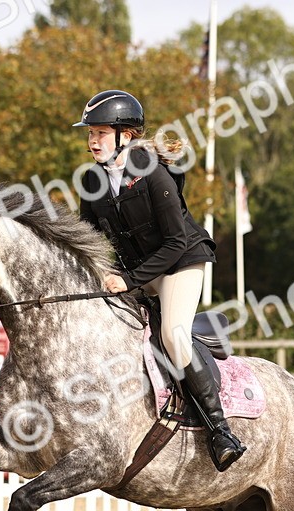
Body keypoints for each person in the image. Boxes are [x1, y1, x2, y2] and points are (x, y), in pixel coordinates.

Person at [74, 90, 245, 472]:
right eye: (90, 133)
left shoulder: (153, 174)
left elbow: (175, 242)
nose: (92, 141)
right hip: (138, 273)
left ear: (125, 136)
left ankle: (221, 431)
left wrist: (129, 280)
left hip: (180, 263)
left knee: (172, 334)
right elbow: (88, 241)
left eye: (100, 133)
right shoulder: (91, 181)